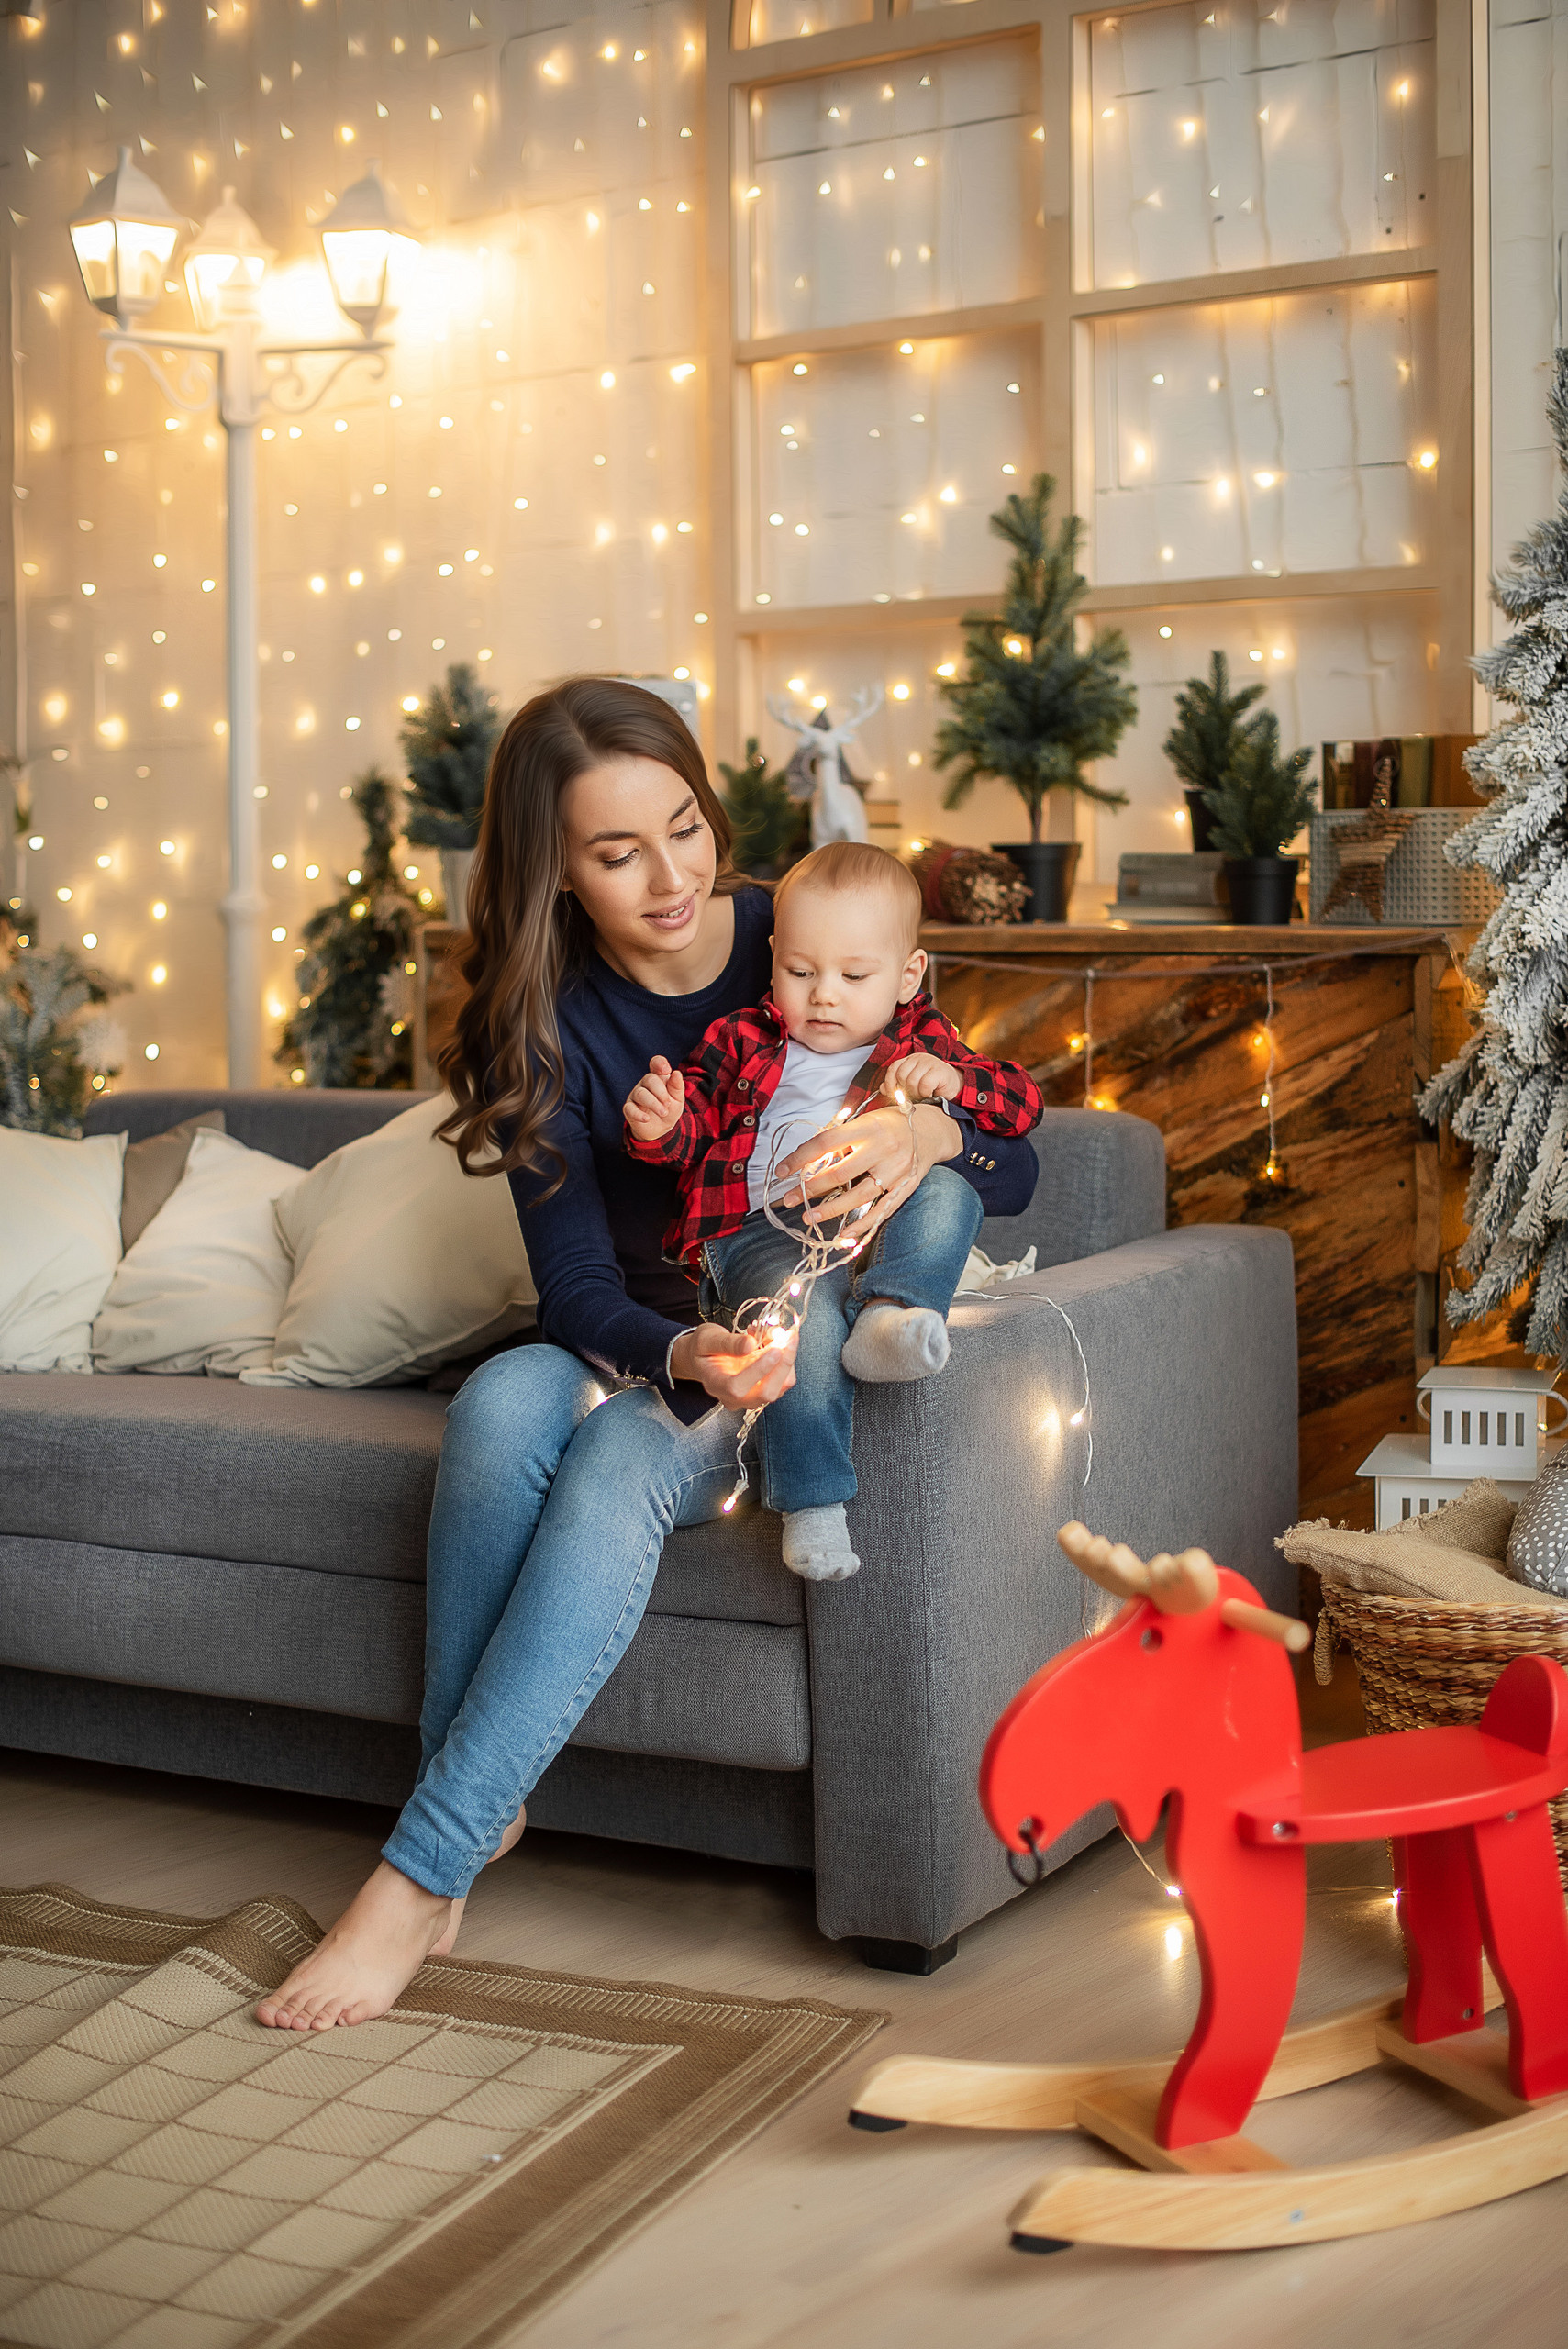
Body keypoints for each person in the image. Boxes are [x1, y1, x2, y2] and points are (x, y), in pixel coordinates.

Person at [255, 678, 1040, 2032]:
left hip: (783, 1320)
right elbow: (569, 1292)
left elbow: (1014, 1158)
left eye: (684, 827)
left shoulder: (810, 932)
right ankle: (476, 1813)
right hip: (646, 1331)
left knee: (616, 1455)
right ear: (553, 870)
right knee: (502, 1402)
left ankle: (418, 1867)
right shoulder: (546, 1013)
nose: (674, 877)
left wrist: (930, 1139)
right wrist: (681, 1347)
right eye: (619, 855)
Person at [623, 841, 1044, 1583]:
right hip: (758, 1235)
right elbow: (691, 1141)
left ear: (907, 974)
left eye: (854, 976)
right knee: (799, 1335)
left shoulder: (923, 1041)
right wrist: (659, 1126)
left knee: (949, 1188)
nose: (823, 995)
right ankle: (813, 1505)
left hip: (872, 1231)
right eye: (800, 971)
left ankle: (892, 1313)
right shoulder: (739, 1040)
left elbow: (1021, 1103)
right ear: (774, 955)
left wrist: (952, 1083)